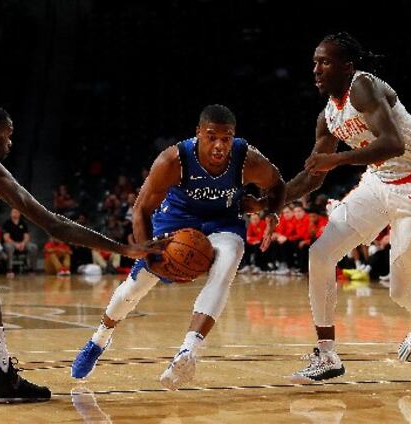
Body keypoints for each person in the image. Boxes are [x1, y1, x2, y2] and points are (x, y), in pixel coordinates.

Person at [0, 104, 160, 403]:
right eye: (8, 135)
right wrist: (124, 249)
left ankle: (1, 373)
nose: (10, 143)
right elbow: (54, 225)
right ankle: (0, 372)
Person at [71, 104, 285, 389]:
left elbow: (278, 184)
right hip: (176, 222)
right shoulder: (172, 160)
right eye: (212, 136)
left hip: (223, 221)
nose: (220, 145)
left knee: (229, 260)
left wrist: (271, 211)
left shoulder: (247, 159)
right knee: (135, 288)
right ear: (198, 133)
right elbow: (140, 210)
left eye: (227, 137)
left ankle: (188, 352)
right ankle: (99, 339)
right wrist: (147, 251)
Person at [284, 32, 411, 381]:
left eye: (324, 62)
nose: (316, 69)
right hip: (379, 183)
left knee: (400, 290)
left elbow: (393, 143)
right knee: (320, 253)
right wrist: (267, 203)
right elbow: (312, 176)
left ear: (347, 66)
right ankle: (327, 355)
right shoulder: (327, 115)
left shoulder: (363, 87)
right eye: (314, 62)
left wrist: (338, 159)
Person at [2, 208, 38, 277]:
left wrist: (23, 244)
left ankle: (32, 269)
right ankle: (10, 269)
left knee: (33, 247)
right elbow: (6, 238)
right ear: (11, 213)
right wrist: (16, 244)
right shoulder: (7, 223)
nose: (15, 213)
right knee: (9, 247)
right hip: (11, 243)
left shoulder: (23, 223)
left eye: (16, 212)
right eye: (13, 212)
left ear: (19, 213)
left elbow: (27, 236)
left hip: (22, 243)